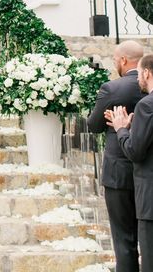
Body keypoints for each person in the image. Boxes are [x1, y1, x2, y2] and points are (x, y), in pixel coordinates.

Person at [87, 40, 145, 272]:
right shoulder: (147, 88)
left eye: (114, 60)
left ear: (122, 60)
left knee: (124, 239)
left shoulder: (112, 88)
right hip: (147, 172)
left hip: (119, 173)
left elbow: (94, 125)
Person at [107, 53, 153, 272]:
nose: (137, 81)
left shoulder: (146, 106)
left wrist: (122, 129)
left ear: (146, 73)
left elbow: (135, 151)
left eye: (139, 76)